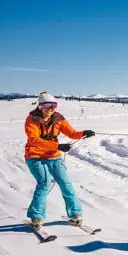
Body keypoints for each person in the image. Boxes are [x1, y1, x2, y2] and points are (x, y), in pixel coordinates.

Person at [24, 92, 95, 230]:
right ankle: (36, 217)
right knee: (44, 183)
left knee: (65, 183)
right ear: (40, 106)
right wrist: (57, 146)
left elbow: (72, 133)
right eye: (47, 105)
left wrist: (83, 133)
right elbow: (35, 140)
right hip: (35, 156)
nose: (51, 108)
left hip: (53, 155)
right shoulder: (31, 120)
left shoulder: (58, 118)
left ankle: (75, 214)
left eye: (54, 105)